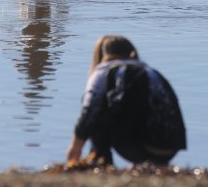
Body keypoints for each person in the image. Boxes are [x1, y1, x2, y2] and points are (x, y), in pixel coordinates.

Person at [66, 35, 186, 167]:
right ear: (132, 53)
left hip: (137, 147)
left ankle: (101, 160)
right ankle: (155, 164)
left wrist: (75, 147)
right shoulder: (151, 72)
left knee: (100, 106)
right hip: (172, 146)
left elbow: (90, 111)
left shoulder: (104, 71)